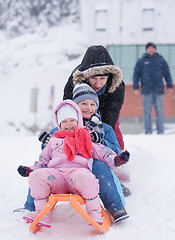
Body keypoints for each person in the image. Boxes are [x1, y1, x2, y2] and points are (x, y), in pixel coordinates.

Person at [17, 100, 129, 227]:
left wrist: (117, 160)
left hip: (77, 176)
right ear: (58, 124)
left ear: (78, 121)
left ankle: (94, 213)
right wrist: (30, 170)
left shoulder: (85, 137)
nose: (68, 124)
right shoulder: (54, 140)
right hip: (56, 176)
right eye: (64, 121)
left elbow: (102, 153)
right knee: (36, 176)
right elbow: (43, 161)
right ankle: (42, 214)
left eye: (72, 120)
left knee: (87, 178)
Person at [63, 45, 125, 150]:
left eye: (102, 78)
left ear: (109, 77)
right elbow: (67, 109)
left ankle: (118, 151)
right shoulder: (75, 81)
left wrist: (104, 138)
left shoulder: (117, 86)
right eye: (94, 78)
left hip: (106, 105)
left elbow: (111, 114)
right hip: (82, 106)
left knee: (111, 128)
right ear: (86, 77)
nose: (98, 83)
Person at [133, 42, 173, 134]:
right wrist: (135, 87)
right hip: (146, 90)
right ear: (146, 49)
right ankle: (148, 131)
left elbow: (167, 73)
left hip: (159, 90)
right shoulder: (142, 61)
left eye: (152, 48)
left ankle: (161, 131)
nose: (151, 50)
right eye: (149, 48)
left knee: (159, 111)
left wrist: (169, 85)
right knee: (147, 112)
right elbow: (136, 74)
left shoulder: (161, 60)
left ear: (155, 49)